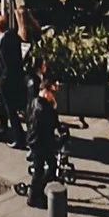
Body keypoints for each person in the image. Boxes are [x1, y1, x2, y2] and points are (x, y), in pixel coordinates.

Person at [0, 6, 33, 144]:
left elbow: (5, 63)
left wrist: (1, 79)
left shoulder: (4, 41)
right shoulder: (14, 37)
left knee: (10, 109)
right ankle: (4, 129)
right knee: (2, 105)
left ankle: (18, 137)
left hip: (7, 79)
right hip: (15, 76)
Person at [25, 77, 65, 208]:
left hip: (36, 141)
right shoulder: (44, 109)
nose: (54, 96)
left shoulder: (36, 103)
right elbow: (47, 129)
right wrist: (57, 141)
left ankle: (38, 192)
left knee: (48, 166)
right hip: (39, 143)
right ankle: (33, 196)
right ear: (46, 91)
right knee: (39, 170)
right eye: (53, 92)